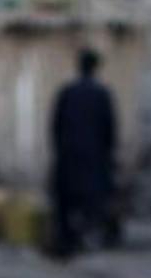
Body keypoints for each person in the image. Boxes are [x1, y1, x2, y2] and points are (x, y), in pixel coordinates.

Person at [50, 50, 118, 259]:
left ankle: (68, 240)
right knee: (93, 200)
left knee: (66, 200)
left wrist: (60, 150)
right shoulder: (102, 94)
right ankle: (87, 237)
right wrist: (108, 156)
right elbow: (110, 129)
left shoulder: (67, 92)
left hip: (68, 155)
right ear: (95, 68)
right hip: (93, 157)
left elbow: (55, 126)